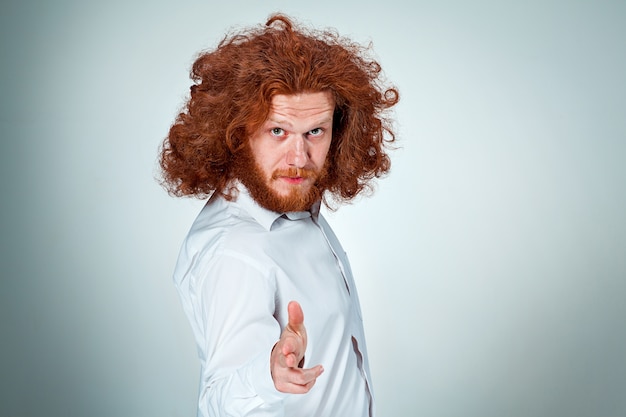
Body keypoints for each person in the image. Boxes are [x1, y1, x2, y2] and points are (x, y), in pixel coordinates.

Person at [159, 13, 398, 417]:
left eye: (314, 132)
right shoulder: (235, 250)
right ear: (236, 131)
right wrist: (267, 375)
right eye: (278, 132)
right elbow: (221, 401)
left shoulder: (296, 211)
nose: (299, 158)